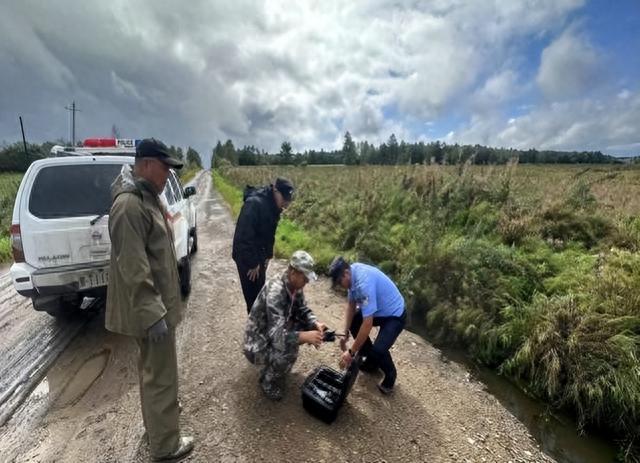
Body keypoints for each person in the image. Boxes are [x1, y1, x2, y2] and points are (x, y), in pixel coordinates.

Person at [106, 138, 194, 462]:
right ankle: (167, 445)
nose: (168, 174)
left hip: (155, 306)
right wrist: (153, 312)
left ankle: (157, 427)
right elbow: (132, 267)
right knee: (161, 376)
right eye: (165, 167)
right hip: (150, 310)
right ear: (145, 164)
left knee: (152, 374)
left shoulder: (147, 198)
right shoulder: (129, 206)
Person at [244, 250, 327, 400]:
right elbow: (276, 336)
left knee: (302, 329)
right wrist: (304, 336)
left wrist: (314, 322)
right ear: (294, 272)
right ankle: (267, 381)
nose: (307, 282)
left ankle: (276, 365)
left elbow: (302, 308)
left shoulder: (295, 285)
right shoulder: (277, 291)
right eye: (305, 278)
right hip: (257, 341)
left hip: (273, 330)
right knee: (288, 350)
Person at [328, 256, 406, 395]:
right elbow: (351, 306)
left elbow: (367, 323)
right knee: (354, 323)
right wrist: (345, 332)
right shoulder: (353, 274)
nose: (340, 285)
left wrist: (351, 352)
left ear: (346, 273)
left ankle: (390, 375)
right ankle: (372, 363)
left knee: (378, 350)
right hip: (380, 310)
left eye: (340, 281)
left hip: (395, 315)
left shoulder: (363, 283)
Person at [232, 177, 295, 313]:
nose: (285, 204)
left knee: (260, 294)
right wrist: (252, 263)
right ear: (275, 190)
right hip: (245, 256)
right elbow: (243, 237)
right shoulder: (254, 204)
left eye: (287, 201)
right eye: (284, 200)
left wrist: (268, 255)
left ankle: (259, 326)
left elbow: (269, 232)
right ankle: (254, 329)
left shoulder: (273, 205)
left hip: (258, 253)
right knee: (254, 299)